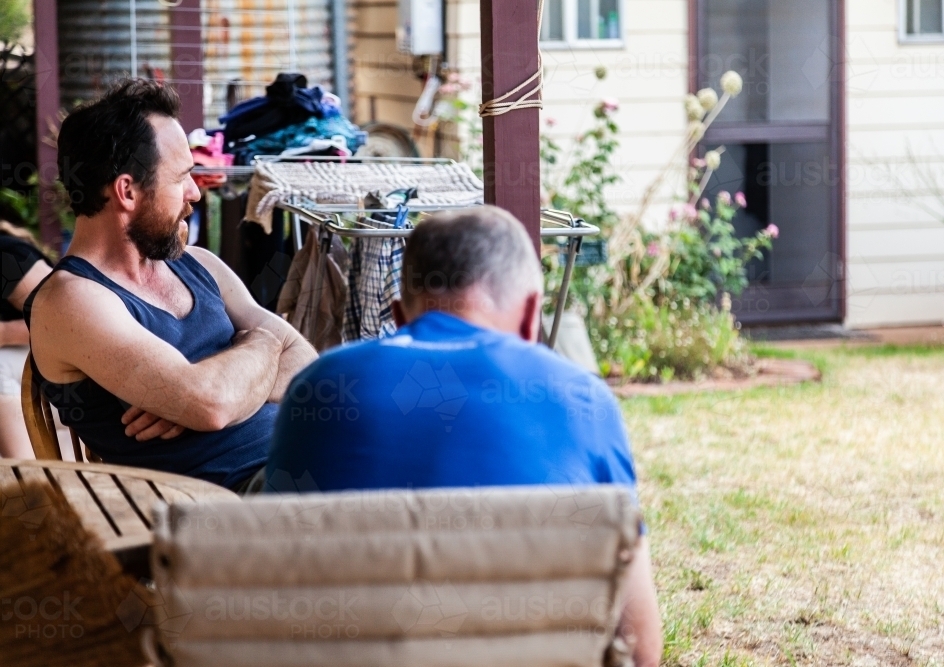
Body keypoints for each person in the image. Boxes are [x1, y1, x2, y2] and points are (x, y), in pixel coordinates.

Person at [266, 206, 662, 666]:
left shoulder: (317, 386)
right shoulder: (583, 399)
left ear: (398, 315)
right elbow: (640, 646)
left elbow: (279, 576)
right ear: (532, 315)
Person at [25, 78, 316, 491]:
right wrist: (264, 344)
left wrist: (220, 387)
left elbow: (309, 368)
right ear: (127, 191)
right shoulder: (71, 300)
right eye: (181, 177)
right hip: (241, 503)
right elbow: (211, 404)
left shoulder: (198, 263)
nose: (195, 193)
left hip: (305, 457)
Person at [0, 221, 52, 458]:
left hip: (63, 375)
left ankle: (28, 480)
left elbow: (68, 321)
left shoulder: (7, 257)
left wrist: (3, 333)